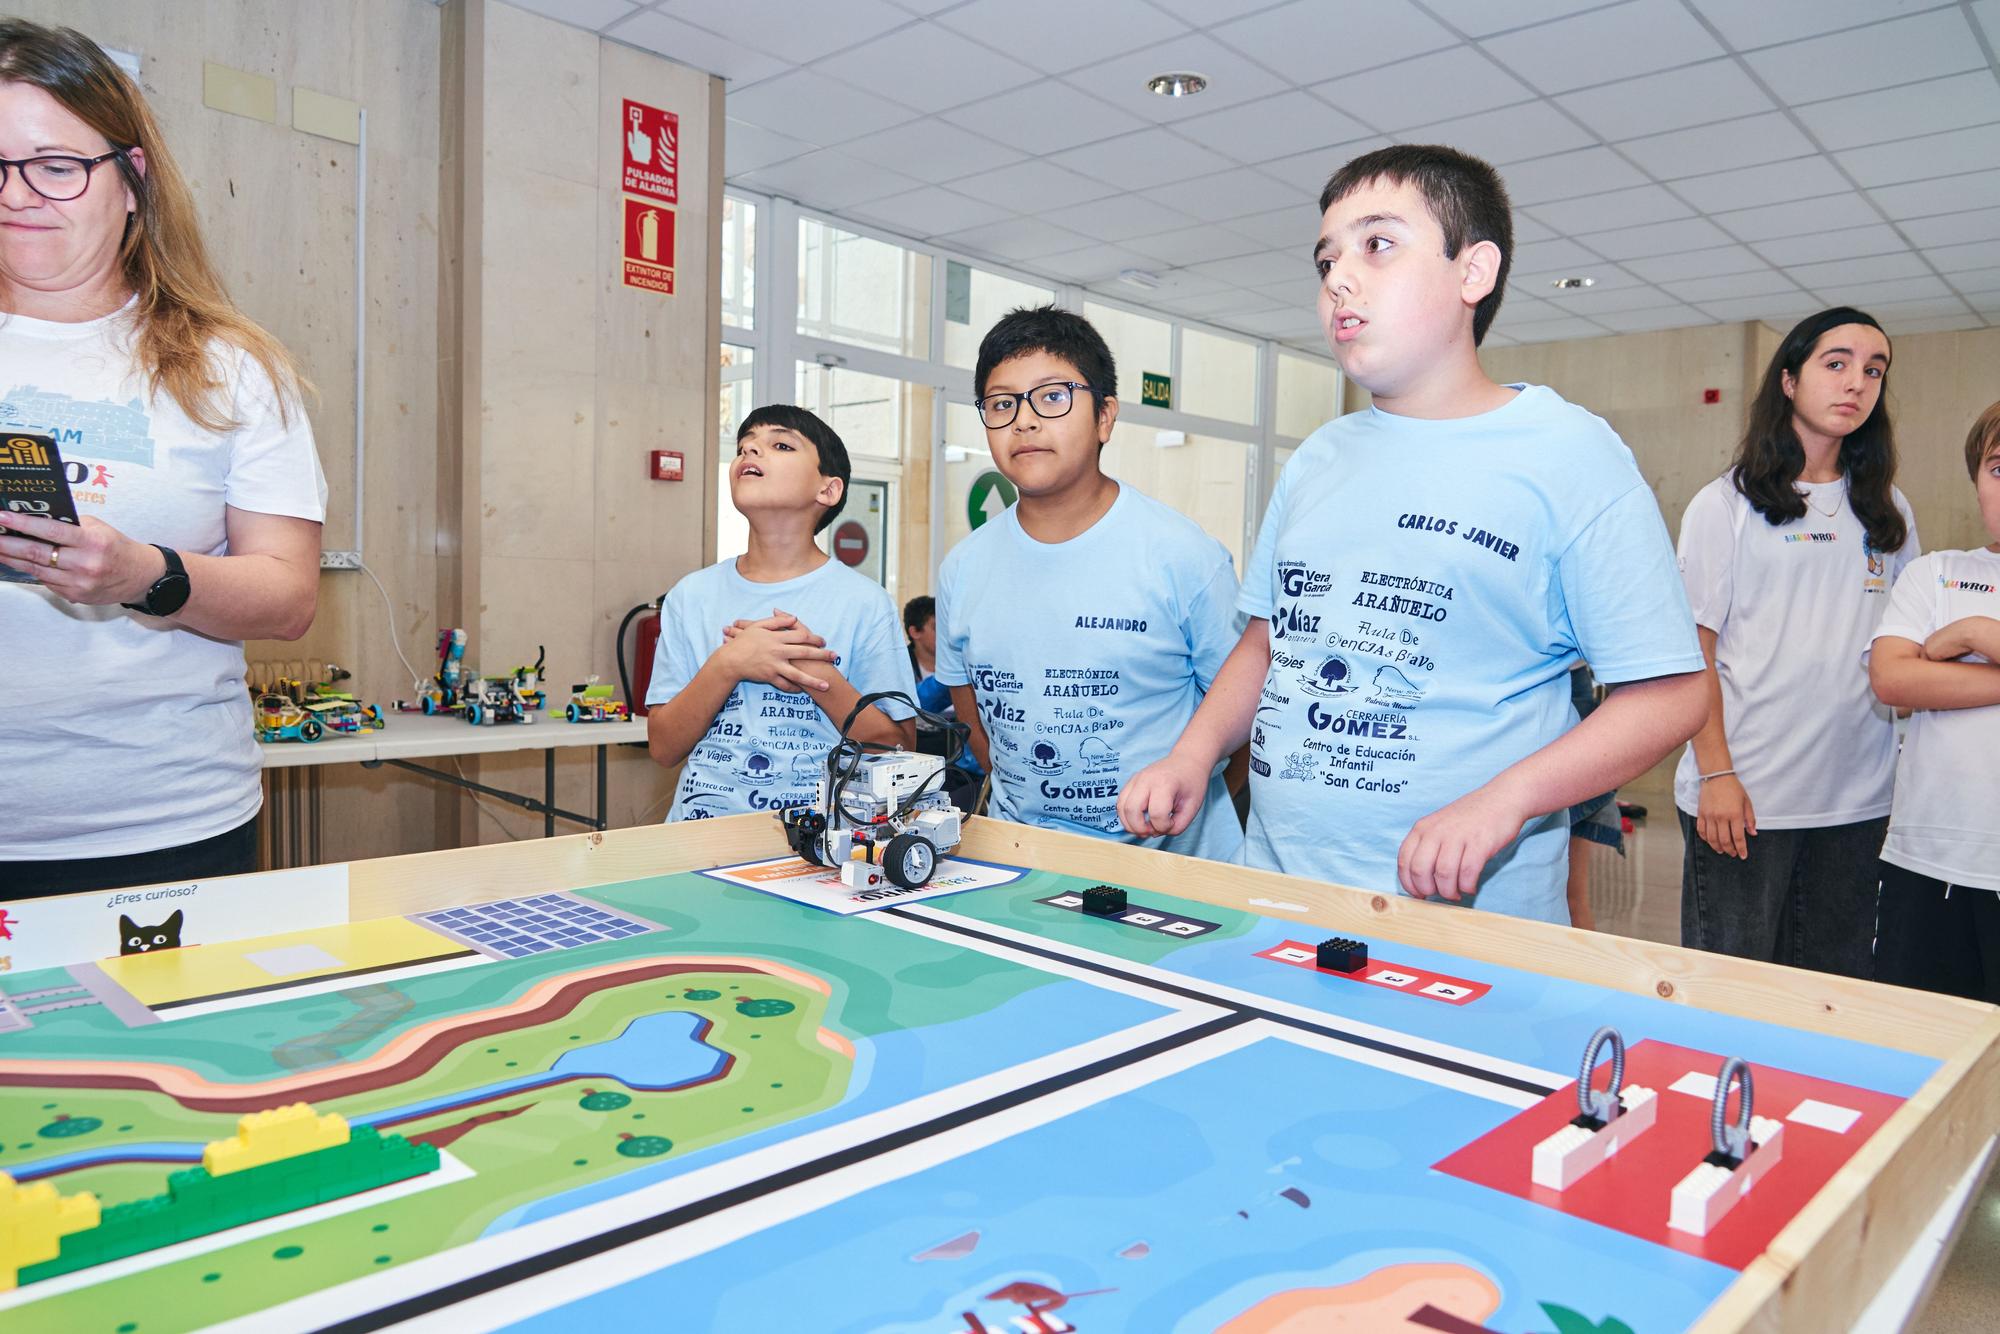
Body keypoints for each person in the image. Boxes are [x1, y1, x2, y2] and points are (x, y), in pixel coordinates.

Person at [1120, 144, 1707, 924]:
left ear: (1474, 272)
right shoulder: (1319, 458)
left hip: (1465, 918)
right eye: (1326, 259)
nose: (1339, 279)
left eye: (1378, 244)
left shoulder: (1569, 453)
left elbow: (1671, 693)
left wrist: (1506, 801)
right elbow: (1267, 644)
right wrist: (1194, 755)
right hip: (1280, 893)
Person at [0, 22, 325, 901]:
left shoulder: (231, 366)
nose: (18, 194)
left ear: (132, 179)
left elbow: (290, 598)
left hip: (160, 826)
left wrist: (142, 574)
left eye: (56, 164)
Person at [936, 305, 1242, 862]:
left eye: (1052, 397)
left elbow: (1246, 717)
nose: (1024, 421)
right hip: (1020, 862)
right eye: (1002, 404)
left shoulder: (1182, 556)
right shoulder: (964, 566)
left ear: (1104, 417)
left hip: (1170, 871)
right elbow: (974, 718)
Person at [1674, 307, 1918, 977]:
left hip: (1858, 800)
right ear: (1788, 380)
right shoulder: (1724, 505)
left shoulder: (1888, 509)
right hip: (1746, 798)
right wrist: (1717, 774)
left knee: (1834, 997)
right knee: (1734, 993)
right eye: (1835, 364)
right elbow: (1691, 653)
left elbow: (1904, 649)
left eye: (1874, 370)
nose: (1856, 384)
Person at [645, 405, 914, 820]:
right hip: (700, 836)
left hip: (822, 843)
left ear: (828, 490)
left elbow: (897, 748)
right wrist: (729, 663)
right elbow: (663, 748)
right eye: (744, 445)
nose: (750, 450)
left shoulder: (864, 602)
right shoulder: (690, 595)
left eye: (780, 444)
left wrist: (811, 670)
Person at [1868, 401, 2000, 1001]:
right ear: (1976, 478)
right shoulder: (1937, 574)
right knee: (1918, 1062)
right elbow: (1893, 681)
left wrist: (1968, 637)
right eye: (1998, 468)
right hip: (1926, 863)